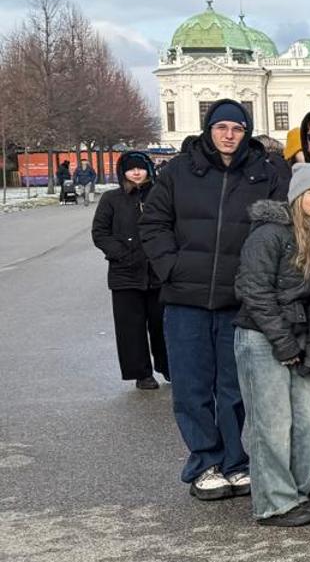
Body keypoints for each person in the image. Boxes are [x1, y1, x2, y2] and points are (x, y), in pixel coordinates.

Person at [141, 98, 291, 501]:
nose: (229, 135)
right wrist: (169, 266)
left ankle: (235, 460)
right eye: (221, 127)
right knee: (191, 386)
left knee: (234, 386)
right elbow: (153, 222)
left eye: (237, 128)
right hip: (185, 297)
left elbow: (277, 232)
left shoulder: (264, 173)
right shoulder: (179, 171)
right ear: (209, 130)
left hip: (236, 299)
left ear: (246, 132)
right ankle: (204, 461)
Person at [233, 164, 310, 526]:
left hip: (300, 336)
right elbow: (254, 291)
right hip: (262, 336)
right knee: (272, 424)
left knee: (306, 423)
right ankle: (274, 503)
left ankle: (297, 493)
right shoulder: (269, 234)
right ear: (297, 196)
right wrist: (283, 343)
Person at [92, 151, 169, 390]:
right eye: (131, 168)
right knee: (130, 328)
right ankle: (141, 373)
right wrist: (121, 254)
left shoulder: (159, 196)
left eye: (141, 168)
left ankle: (168, 366)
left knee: (162, 325)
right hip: (125, 273)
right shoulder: (111, 199)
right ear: (123, 172)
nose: (136, 172)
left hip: (157, 273)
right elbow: (100, 232)